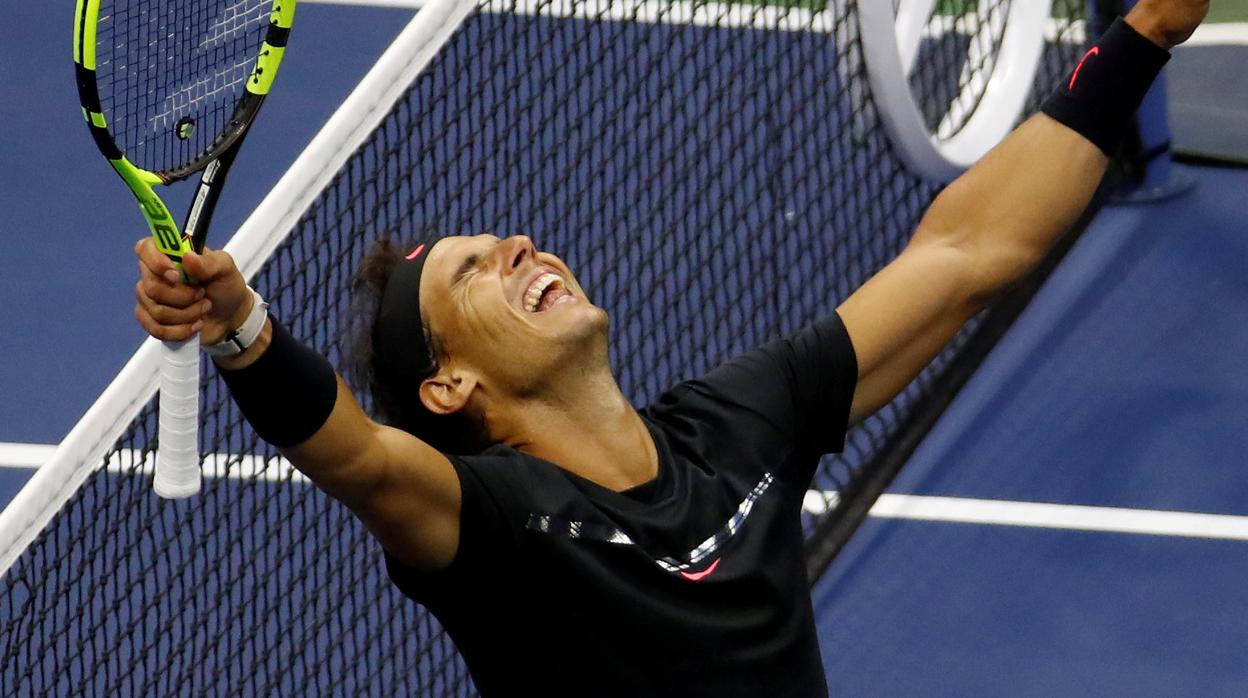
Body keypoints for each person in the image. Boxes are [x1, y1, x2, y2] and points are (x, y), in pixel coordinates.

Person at [133, 2, 1208, 695]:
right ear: (450, 380)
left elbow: (971, 251)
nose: (520, 245)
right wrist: (242, 327)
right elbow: (359, 455)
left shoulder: (738, 424)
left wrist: (1145, 34)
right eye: (474, 273)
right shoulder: (493, 526)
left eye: (506, 241)